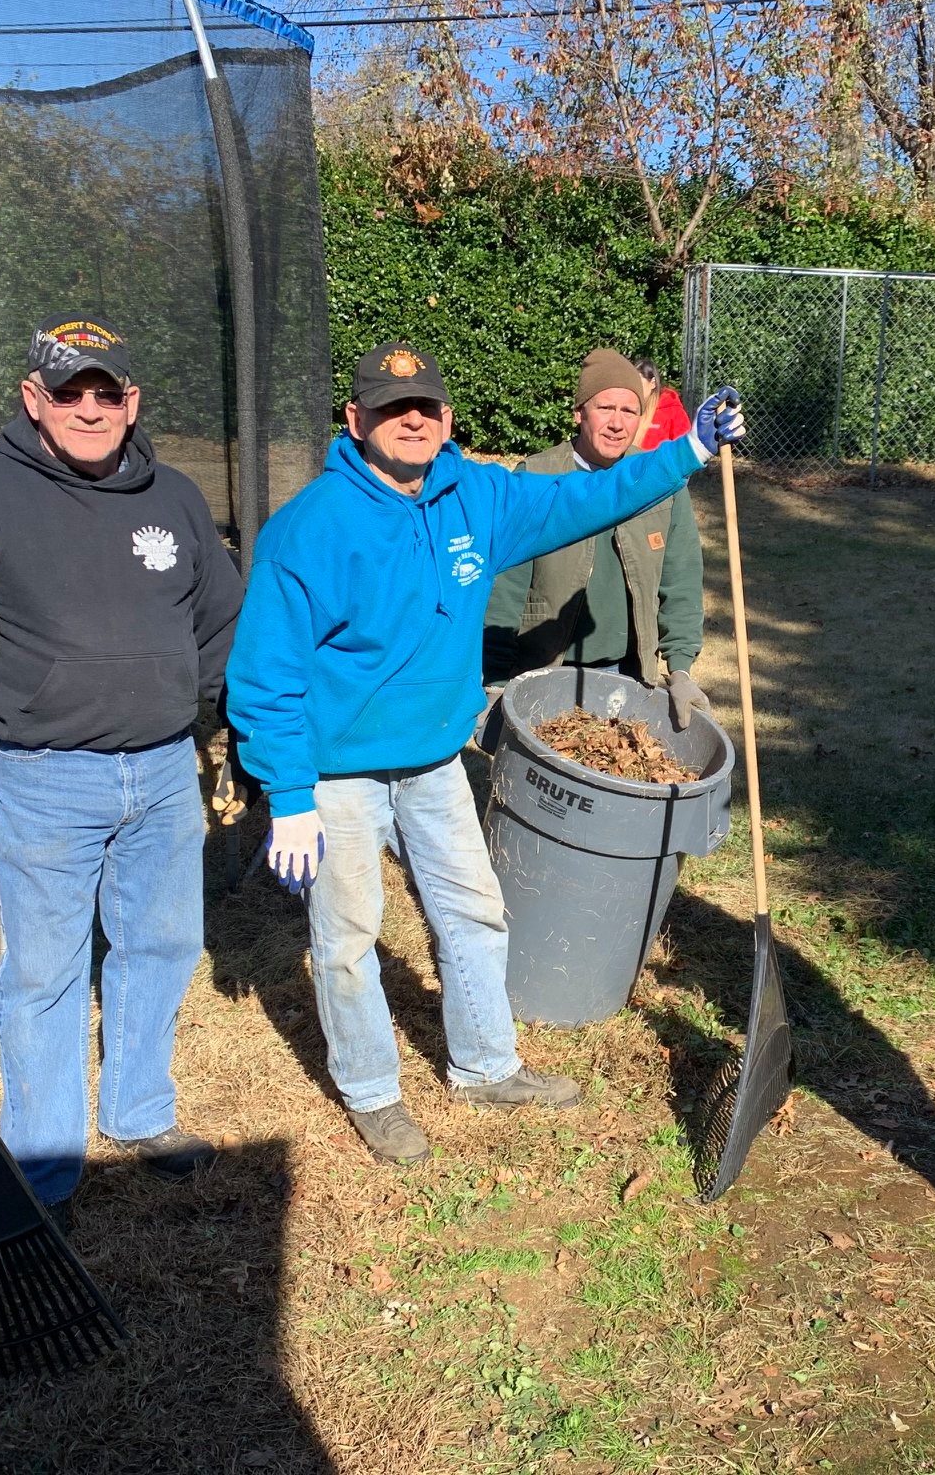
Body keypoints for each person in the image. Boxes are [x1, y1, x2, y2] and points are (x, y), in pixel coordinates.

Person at [224, 342, 743, 1166]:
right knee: (349, 938)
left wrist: (689, 452)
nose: (412, 422)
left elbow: (590, 497)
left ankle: (485, 1067)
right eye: (392, 411)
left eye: (425, 409)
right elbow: (264, 673)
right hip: (338, 773)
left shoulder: (480, 497)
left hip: (433, 761)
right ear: (356, 421)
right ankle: (372, 1092)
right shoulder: (310, 529)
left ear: (447, 420)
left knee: (475, 912)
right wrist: (287, 796)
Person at [0, 313, 242, 1225]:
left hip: (163, 771)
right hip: (45, 774)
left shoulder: (178, 498)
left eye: (105, 391)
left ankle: (139, 1112)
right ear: (33, 400)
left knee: (161, 947)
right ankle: (44, 1163)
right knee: (43, 973)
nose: (89, 407)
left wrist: (174, 695)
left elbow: (220, 621)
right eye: (68, 391)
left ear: (132, 401)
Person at [482, 349, 710, 730]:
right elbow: (504, 593)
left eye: (629, 411)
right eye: (605, 408)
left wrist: (681, 669)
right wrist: (495, 684)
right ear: (578, 413)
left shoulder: (661, 482)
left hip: (628, 673)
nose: (618, 424)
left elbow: (681, 580)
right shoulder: (536, 478)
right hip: (544, 669)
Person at [633, 357, 691, 453]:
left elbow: (684, 449)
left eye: (639, 382)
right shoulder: (629, 409)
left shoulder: (673, 412)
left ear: (653, 383)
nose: (635, 388)